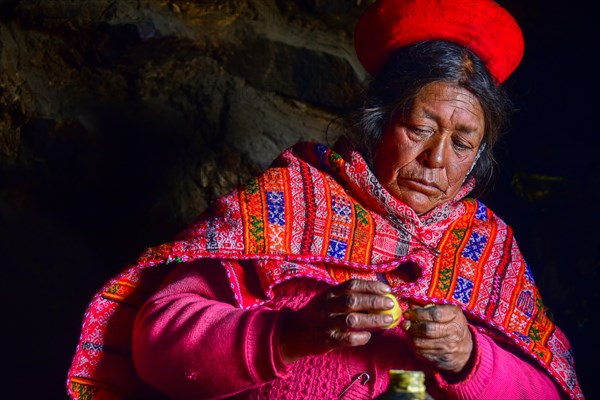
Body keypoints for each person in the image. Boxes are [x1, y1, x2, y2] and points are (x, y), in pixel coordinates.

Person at [67, 0, 583, 399]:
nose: (437, 159)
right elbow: (156, 339)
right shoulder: (294, 198)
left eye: (463, 142)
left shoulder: (488, 247)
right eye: (419, 128)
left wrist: (472, 357)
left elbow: (549, 390)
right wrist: (288, 333)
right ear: (376, 123)